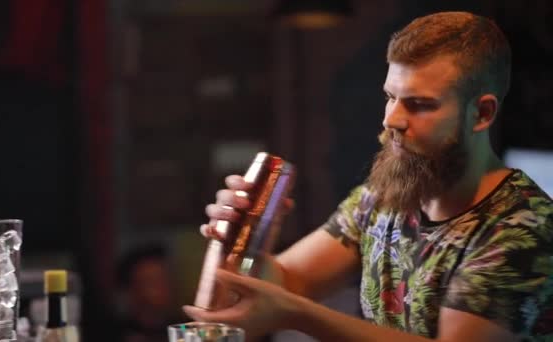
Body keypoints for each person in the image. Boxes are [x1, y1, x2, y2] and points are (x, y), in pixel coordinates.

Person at [182, 11, 553, 341]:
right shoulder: (382, 197)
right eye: (390, 97)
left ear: (482, 114)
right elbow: (289, 281)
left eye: (419, 104)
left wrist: (297, 313)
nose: (391, 119)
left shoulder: (522, 227)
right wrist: (251, 244)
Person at [116, 244, 181, 342]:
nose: (162, 286)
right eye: (152, 281)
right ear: (131, 290)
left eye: (165, 278)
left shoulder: (182, 330)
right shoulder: (111, 334)